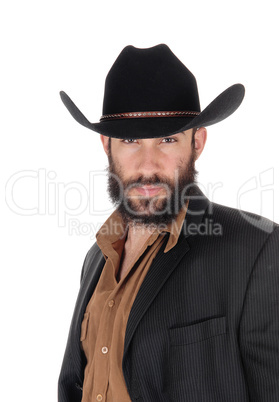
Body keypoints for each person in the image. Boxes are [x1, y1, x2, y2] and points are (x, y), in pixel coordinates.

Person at [58, 44, 279, 402]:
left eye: (167, 139)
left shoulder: (256, 249)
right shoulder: (95, 259)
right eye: (130, 140)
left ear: (198, 142)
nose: (148, 165)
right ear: (106, 145)